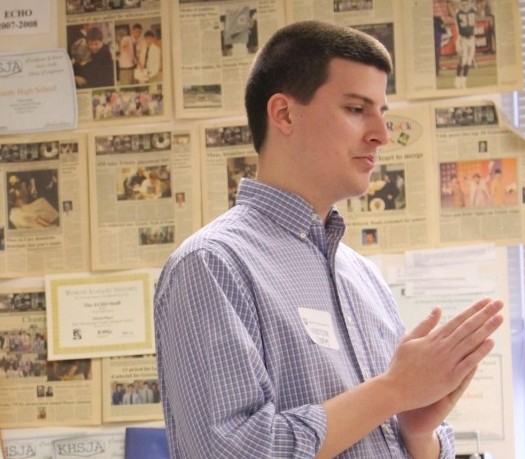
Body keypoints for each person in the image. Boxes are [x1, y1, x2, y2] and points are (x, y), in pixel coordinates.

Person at [155, 20, 504, 458]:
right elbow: (234, 452)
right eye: (357, 109)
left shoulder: (364, 277)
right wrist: (392, 391)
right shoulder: (211, 265)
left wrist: (416, 432)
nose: (382, 134)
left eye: (383, 113)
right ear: (283, 114)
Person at [454, 0, 477, 89]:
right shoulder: (458, 13)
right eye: (463, 3)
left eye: (467, 3)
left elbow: (480, 13)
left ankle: (464, 81)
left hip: (472, 38)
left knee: (469, 61)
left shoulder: (473, 11)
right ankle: (457, 78)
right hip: (463, 38)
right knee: (462, 60)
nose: (465, 5)